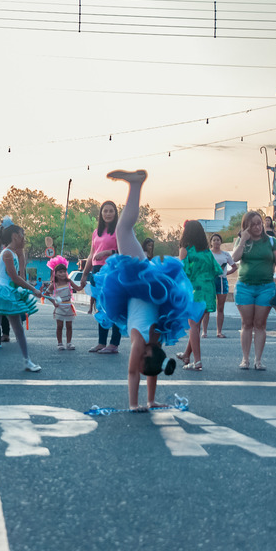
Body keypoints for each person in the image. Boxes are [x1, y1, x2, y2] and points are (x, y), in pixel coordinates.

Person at [89, 170, 196, 410]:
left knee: (124, 232)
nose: (138, 362)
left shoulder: (155, 344)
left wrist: (149, 402)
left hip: (146, 288)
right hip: (141, 281)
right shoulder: (142, 341)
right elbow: (132, 372)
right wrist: (133, 405)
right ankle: (136, 184)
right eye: (142, 360)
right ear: (146, 354)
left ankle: (151, 399)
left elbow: (151, 369)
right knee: (123, 231)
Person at [0, 223, 49, 375]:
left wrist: (28, 288)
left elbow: (16, 277)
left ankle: (27, 360)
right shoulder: (7, 253)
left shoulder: (13, 253)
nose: (24, 238)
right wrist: (32, 289)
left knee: (18, 329)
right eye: (22, 235)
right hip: (0, 293)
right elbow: (14, 277)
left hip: (8, 293)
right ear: (15, 236)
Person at [232, 210, 276, 370]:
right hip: (244, 287)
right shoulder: (242, 241)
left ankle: (258, 360)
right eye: (253, 224)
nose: (257, 227)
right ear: (246, 226)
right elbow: (234, 258)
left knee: (260, 324)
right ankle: (245, 359)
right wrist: (243, 240)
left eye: (259, 223)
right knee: (246, 323)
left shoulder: (271, 241)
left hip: (266, 287)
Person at [78, 200, 122, 354]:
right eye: (105, 211)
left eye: (111, 211)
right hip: (97, 271)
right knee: (101, 307)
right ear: (101, 213)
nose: (108, 214)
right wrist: (85, 274)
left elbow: (125, 252)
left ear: (115, 213)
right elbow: (91, 254)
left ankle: (114, 344)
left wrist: (108, 252)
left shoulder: (119, 231)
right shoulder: (96, 232)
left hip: (112, 270)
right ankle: (101, 342)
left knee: (114, 307)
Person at [178, 221, 218, 370]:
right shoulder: (207, 252)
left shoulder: (185, 249)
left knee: (193, 325)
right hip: (208, 289)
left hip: (194, 289)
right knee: (196, 324)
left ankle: (198, 361)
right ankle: (186, 355)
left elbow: (182, 272)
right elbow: (216, 270)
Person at [45, 255, 81, 350]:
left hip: (69, 306)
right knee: (59, 326)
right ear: (55, 273)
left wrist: (83, 284)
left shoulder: (69, 282)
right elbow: (46, 294)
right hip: (59, 307)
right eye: (60, 272)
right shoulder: (54, 284)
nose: (63, 274)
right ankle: (60, 343)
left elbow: (78, 288)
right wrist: (54, 302)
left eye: (64, 271)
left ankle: (69, 343)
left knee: (69, 326)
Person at [209, 233, 237, 338]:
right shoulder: (208, 254)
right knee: (207, 307)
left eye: (218, 240)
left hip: (222, 281)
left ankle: (219, 331)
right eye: (214, 240)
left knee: (220, 307)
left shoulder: (225, 254)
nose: (216, 242)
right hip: (210, 281)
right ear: (211, 242)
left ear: (221, 242)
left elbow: (234, 267)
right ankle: (204, 331)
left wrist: (225, 273)